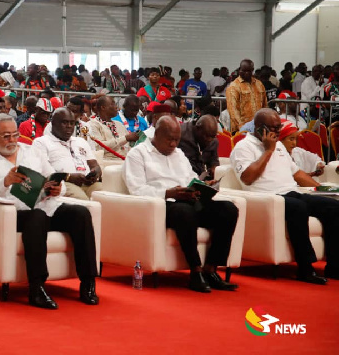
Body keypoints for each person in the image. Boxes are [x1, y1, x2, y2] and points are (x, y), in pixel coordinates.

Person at [0, 113, 99, 309]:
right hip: (11, 213)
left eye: (15, 135)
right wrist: (4, 182)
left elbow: (53, 178)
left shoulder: (31, 152)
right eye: (6, 136)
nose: (12, 140)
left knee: (80, 213)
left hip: (43, 204)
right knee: (37, 217)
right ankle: (37, 287)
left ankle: (88, 282)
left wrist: (58, 189)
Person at [123, 115, 239, 293]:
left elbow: (190, 178)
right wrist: (169, 193)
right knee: (185, 212)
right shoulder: (137, 154)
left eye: (177, 140)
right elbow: (136, 190)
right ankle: (195, 270)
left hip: (187, 200)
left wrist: (202, 186)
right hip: (162, 205)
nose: (173, 145)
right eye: (169, 139)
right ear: (157, 134)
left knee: (228, 209)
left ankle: (211, 268)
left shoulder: (179, 153)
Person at [230, 108, 339, 283]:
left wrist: (321, 189)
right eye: (274, 128)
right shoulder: (243, 147)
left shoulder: (279, 145)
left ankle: (335, 267)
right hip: (269, 198)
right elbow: (248, 178)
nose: (278, 132)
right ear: (259, 128)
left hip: (293, 192)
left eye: (279, 127)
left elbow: (297, 174)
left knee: (333, 207)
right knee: (299, 208)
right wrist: (267, 151)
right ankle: (305, 268)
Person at [33, 108, 102, 200]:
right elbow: (41, 172)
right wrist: (68, 177)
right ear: (53, 123)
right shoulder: (42, 142)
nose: (69, 126)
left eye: (72, 123)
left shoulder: (81, 141)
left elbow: (95, 165)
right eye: (64, 122)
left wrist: (95, 173)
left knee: (105, 196)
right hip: (63, 183)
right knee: (82, 200)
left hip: (88, 183)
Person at [226, 59, 267, 133]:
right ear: (239, 70)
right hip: (242, 129)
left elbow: (264, 105)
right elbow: (233, 110)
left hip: (258, 127)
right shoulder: (234, 86)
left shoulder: (259, 84)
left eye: (249, 71)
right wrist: (242, 128)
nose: (246, 73)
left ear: (252, 70)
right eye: (243, 71)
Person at [178, 115, 219, 179]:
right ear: (197, 128)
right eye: (206, 136)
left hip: (204, 179)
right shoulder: (180, 134)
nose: (209, 140)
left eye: (213, 137)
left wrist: (214, 168)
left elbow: (214, 160)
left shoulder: (214, 142)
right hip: (184, 178)